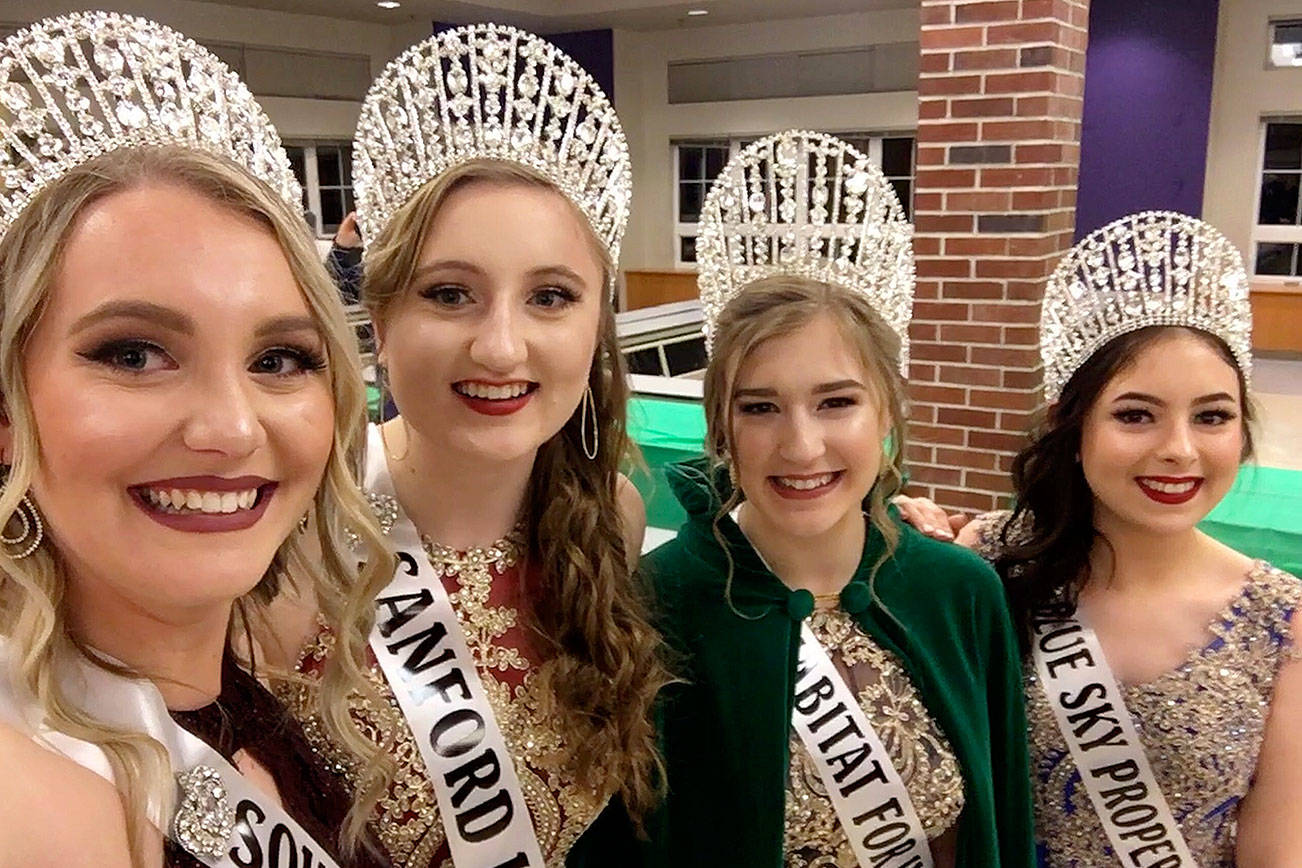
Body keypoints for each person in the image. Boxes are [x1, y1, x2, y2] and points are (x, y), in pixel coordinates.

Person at [268, 24, 670, 868]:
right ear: (382, 322)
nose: (500, 347)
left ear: (597, 324)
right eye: (450, 294)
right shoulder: (294, 532)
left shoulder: (610, 517)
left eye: (550, 297)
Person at [0, 13, 395, 868]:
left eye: (279, 359)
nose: (232, 428)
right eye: (134, 354)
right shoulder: (29, 807)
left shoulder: (243, 687)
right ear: (6, 410)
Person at [640, 131, 1035, 868]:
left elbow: (1004, 823)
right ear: (720, 426)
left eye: (836, 402)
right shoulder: (658, 602)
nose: (801, 447)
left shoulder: (959, 594)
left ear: (887, 410)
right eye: (760, 407)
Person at [896, 212, 1302, 866]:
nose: (1180, 449)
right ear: (1072, 426)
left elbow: (1275, 852)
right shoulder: (989, 560)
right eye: (1136, 415)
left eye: (1212, 416)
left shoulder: (1282, 620)